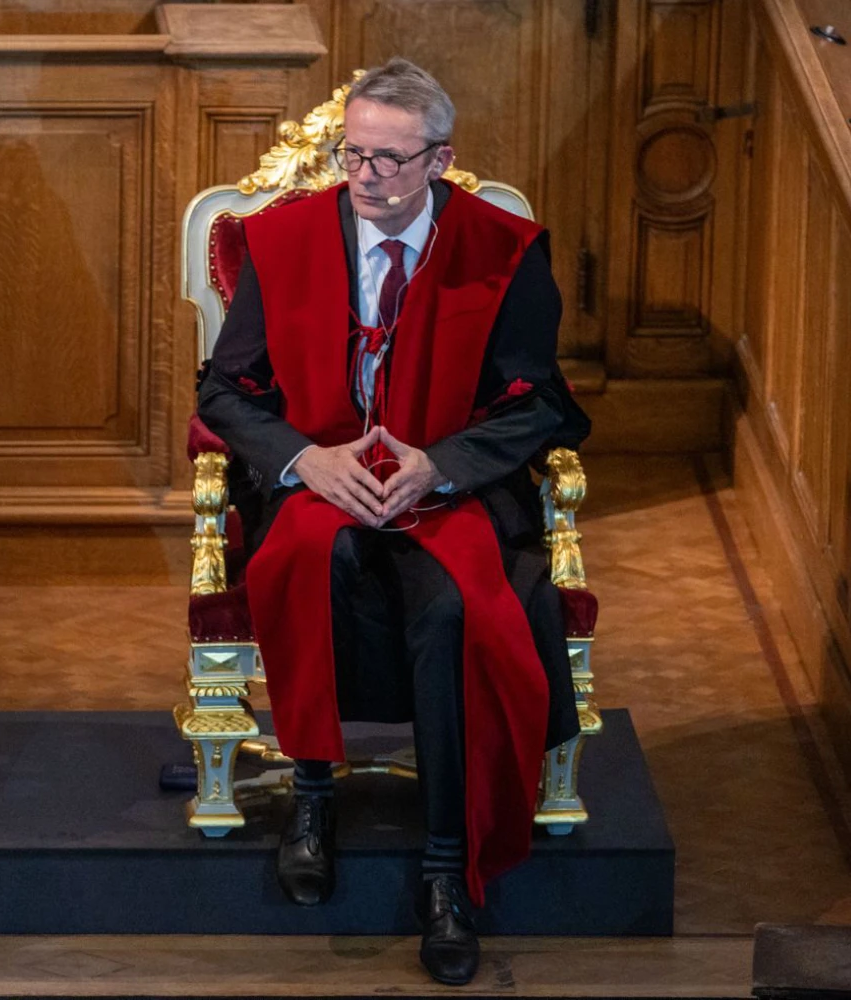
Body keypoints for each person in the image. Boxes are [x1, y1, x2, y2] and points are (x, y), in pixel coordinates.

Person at [196, 58, 590, 986]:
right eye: (352, 155)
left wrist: (438, 465)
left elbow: (542, 405)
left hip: (446, 486)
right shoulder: (282, 240)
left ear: (439, 161)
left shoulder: (505, 252)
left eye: (388, 160)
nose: (364, 178)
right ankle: (313, 793)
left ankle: (448, 867)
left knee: (456, 609)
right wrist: (307, 460)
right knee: (305, 564)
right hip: (321, 477)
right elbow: (225, 390)